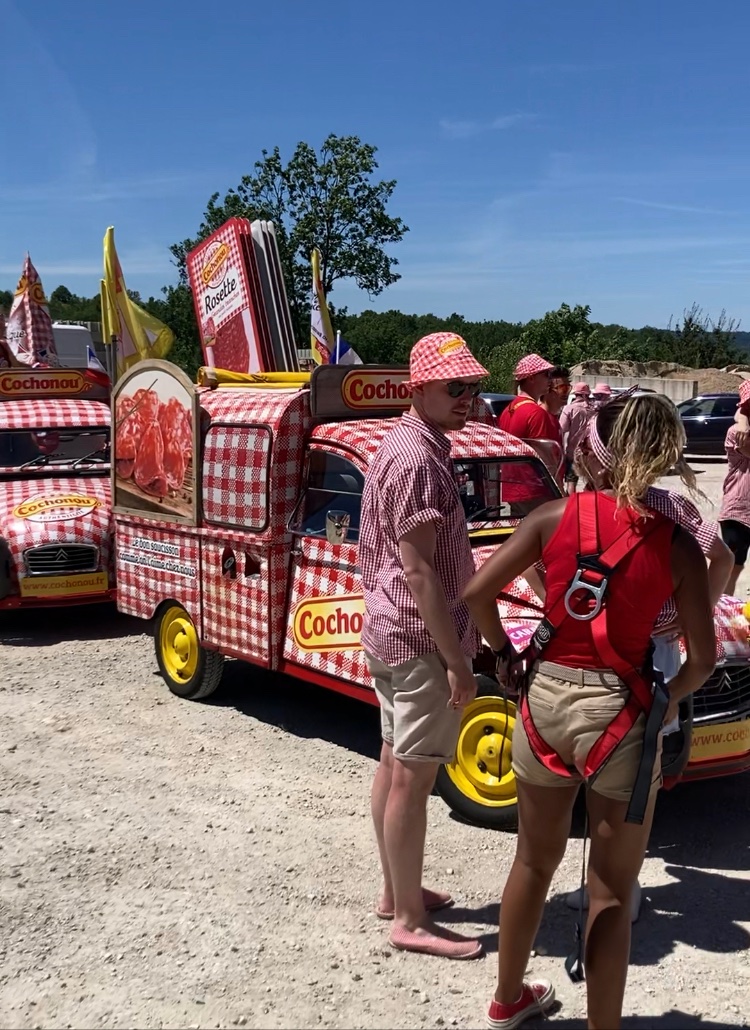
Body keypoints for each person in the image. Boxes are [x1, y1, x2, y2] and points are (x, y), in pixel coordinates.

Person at [464, 393, 716, 1029]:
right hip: (623, 711)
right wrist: (667, 697)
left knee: (532, 860)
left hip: (545, 697)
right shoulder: (677, 543)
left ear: (596, 448)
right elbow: (703, 659)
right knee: (610, 889)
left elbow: (477, 591)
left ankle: (507, 998)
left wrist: (505, 656)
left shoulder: (551, 517)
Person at [358, 331, 488, 960]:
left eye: (473, 386)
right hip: (419, 640)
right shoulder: (418, 459)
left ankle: (396, 892)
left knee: (393, 762)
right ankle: (408, 918)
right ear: (418, 389)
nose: (468, 397)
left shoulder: (406, 443)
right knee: (413, 776)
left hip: (392, 631)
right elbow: (420, 572)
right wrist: (457, 660)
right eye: (454, 386)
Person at [499, 354, 562, 483]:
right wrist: (559, 489)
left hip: (510, 485)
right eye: (546, 374)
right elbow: (546, 462)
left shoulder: (508, 410)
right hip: (533, 487)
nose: (550, 380)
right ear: (531, 378)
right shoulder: (536, 412)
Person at [719, 380, 750, 594]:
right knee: (732, 566)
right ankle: (723, 609)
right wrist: (742, 419)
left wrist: (742, 417)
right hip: (739, 510)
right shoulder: (736, 433)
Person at [559, 382, 595, 495]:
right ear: (586, 394)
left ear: (575, 394)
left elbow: (561, 428)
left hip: (573, 452)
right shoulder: (593, 409)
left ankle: (572, 503)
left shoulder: (569, 408)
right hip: (590, 452)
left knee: (571, 482)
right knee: (592, 482)